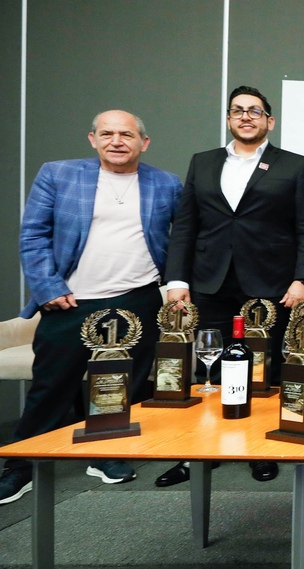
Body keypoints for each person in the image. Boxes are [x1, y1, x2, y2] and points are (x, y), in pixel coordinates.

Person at [0, 111, 181, 505]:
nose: (117, 141)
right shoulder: (59, 174)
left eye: (126, 134)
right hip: (69, 301)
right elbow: (33, 234)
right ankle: (21, 465)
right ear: (93, 139)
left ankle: (106, 453)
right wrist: (48, 287)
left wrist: (176, 284)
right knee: (51, 387)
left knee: (120, 386)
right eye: (107, 133)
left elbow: (182, 238)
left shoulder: (166, 183)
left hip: (137, 299)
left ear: (144, 142)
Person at [156, 86, 304, 486]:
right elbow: (186, 226)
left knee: (263, 368)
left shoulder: (295, 165)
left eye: (255, 111)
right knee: (209, 365)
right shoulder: (203, 162)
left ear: (270, 121)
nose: (246, 116)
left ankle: (260, 449)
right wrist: (176, 280)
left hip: (269, 283)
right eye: (238, 110)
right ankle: (202, 450)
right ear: (229, 118)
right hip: (209, 281)